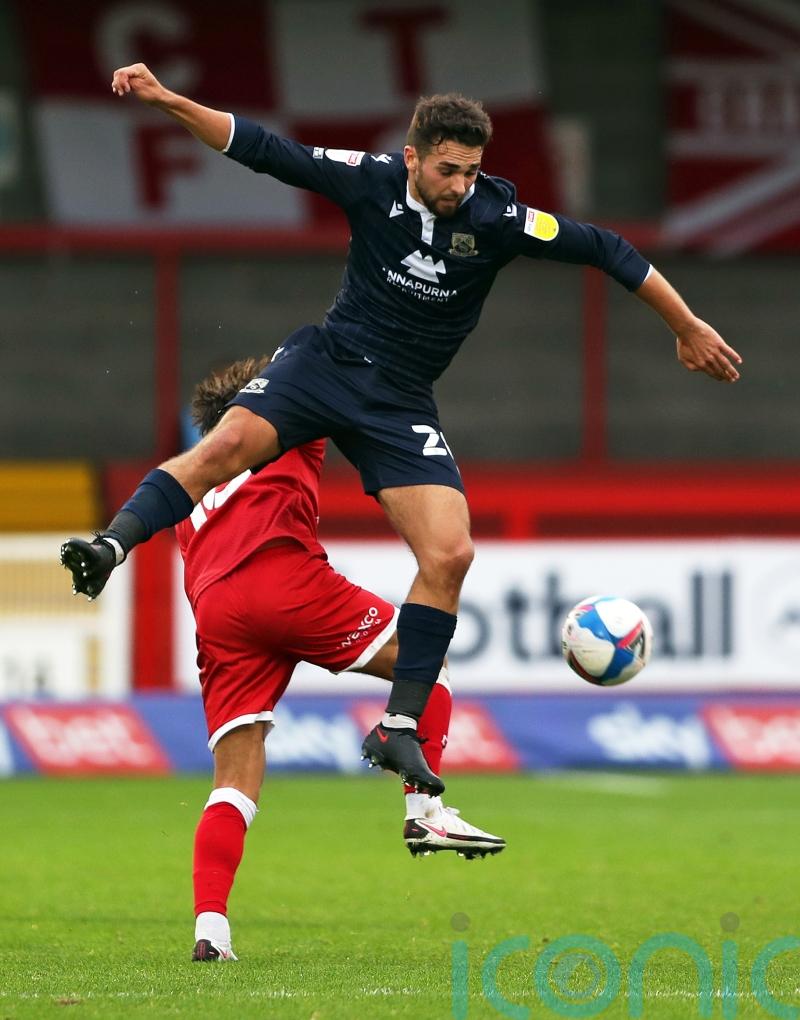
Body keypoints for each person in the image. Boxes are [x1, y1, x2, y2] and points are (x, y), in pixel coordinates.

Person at [62, 63, 743, 796]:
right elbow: (260, 147)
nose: (460, 186)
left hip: (399, 403)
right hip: (327, 364)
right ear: (413, 158)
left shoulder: (497, 219)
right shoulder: (370, 180)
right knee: (224, 448)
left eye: (473, 172)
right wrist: (167, 99)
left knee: (450, 552)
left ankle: (399, 727)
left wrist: (686, 325)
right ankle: (111, 545)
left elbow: (608, 248)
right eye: (448, 170)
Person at [175, 357, 506, 962]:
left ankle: (211, 930)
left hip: (216, 612)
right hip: (282, 580)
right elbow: (327, 372)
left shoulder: (193, 482)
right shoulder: (283, 424)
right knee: (423, 657)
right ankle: (425, 810)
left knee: (233, 780)